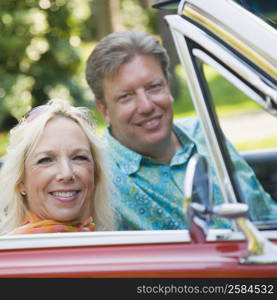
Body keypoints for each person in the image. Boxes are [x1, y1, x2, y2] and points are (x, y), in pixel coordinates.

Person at [85, 30, 277, 230]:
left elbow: (264, 211)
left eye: (153, 87)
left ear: (168, 86)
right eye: (126, 96)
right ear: (104, 110)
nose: (146, 106)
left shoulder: (203, 132)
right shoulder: (97, 176)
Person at [0, 98, 115, 235]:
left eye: (79, 158)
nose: (66, 174)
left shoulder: (116, 249)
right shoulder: (9, 253)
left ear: (95, 174)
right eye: (46, 160)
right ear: (20, 181)